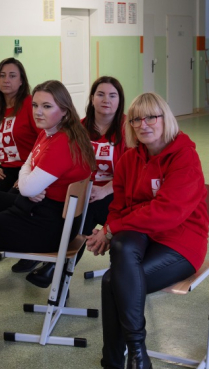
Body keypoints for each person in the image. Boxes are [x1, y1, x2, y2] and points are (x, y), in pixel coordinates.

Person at [86, 92, 208, 369]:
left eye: (151, 117)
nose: (144, 124)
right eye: (137, 119)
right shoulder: (128, 160)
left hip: (182, 244)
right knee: (123, 250)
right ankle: (135, 358)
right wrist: (113, 226)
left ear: (165, 119)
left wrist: (112, 229)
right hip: (142, 239)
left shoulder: (184, 157)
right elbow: (119, 206)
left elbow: (168, 213)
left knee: (112, 281)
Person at [0, 80, 95, 327]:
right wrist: (28, 181)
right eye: (35, 106)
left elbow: (28, 183)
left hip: (50, 225)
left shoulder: (62, 142)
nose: (38, 112)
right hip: (43, 210)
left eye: (46, 106)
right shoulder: (50, 132)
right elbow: (26, 169)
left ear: (64, 110)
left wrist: (28, 183)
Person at [27, 76, 128, 287]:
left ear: (120, 101)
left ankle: (58, 270)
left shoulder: (129, 129)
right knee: (74, 209)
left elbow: (133, 172)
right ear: (91, 98)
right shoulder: (78, 128)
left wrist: (104, 190)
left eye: (112, 95)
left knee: (85, 211)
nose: (106, 100)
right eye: (100, 94)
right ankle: (58, 272)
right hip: (80, 192)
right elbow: (55, 161)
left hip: (116, 196)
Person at [0, 58, 41, 274]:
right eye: (2, 75)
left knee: (12, 205)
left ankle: (28, 250)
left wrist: (28, 175)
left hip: (30, 169)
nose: (7, 80)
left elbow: (45, 143)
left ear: (22, 81)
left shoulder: (31, 105)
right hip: (5, 169)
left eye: (13, 75)